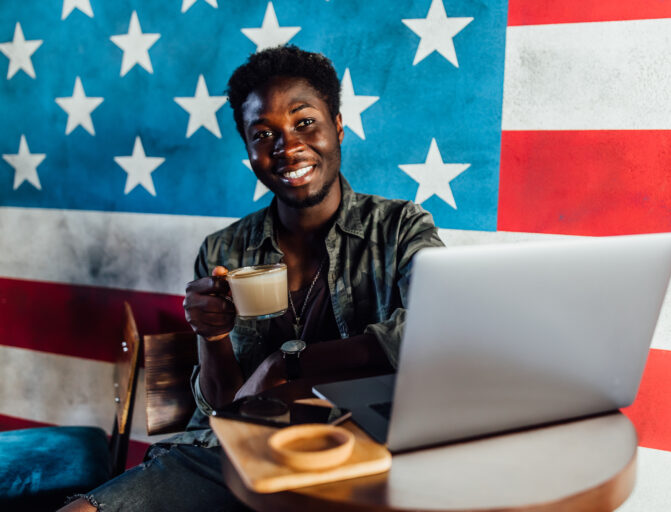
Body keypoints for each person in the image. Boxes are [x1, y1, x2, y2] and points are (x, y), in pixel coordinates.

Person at [60, 45, 443, 512]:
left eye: (305, 123)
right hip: (234, 456)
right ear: (248, 150)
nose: (287, 147)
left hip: (364, 453)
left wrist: (286, 364)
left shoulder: (400, 227)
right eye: (263, 134)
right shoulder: (223, 250)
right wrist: (213, 333)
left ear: (337, 127)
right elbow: (224, 407)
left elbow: (438, 329)